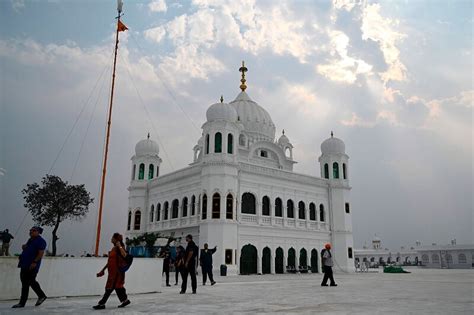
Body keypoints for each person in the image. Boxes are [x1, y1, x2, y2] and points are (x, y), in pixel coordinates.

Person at [12, 226, 47, 308]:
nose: (31, 232)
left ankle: (41, 296)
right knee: (25, 283)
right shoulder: (30, 240)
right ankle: (22, 302)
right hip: (25, 264)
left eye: (33, 230)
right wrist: (24, 248)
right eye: (30, 230)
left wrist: (35, 262)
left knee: (31, 281)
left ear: (38, 232)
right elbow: (29, 250)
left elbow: (40, 253)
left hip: (32, 265)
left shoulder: (41, 241)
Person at [93, 233, 131, 310]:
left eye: (112, 238)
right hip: (112, 272)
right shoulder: (114, 249)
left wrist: (119, 245)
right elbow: (110, 261)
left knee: (109, 288)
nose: (111, 239)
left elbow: (124, 255)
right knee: (118, 287)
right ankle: (125, 300)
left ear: (116, 239)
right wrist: (103, 270)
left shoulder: (119, 247)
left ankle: (102, 304)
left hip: (117, 273)